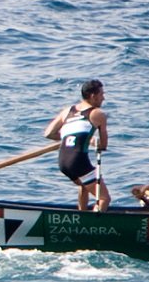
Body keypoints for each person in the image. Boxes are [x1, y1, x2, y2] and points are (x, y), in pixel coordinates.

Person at [45, 79, 110, 212]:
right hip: (77, 161)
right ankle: (94, 226)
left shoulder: (67, 111)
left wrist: (66, 138)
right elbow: (103, 145)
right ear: (93, 96)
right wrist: (94, 142)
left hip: (63, 161)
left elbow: (49, 134)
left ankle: (82, 213)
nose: (103, 98)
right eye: (101, 94)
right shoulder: (97, 114)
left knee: (84, 185)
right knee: (104, 198)